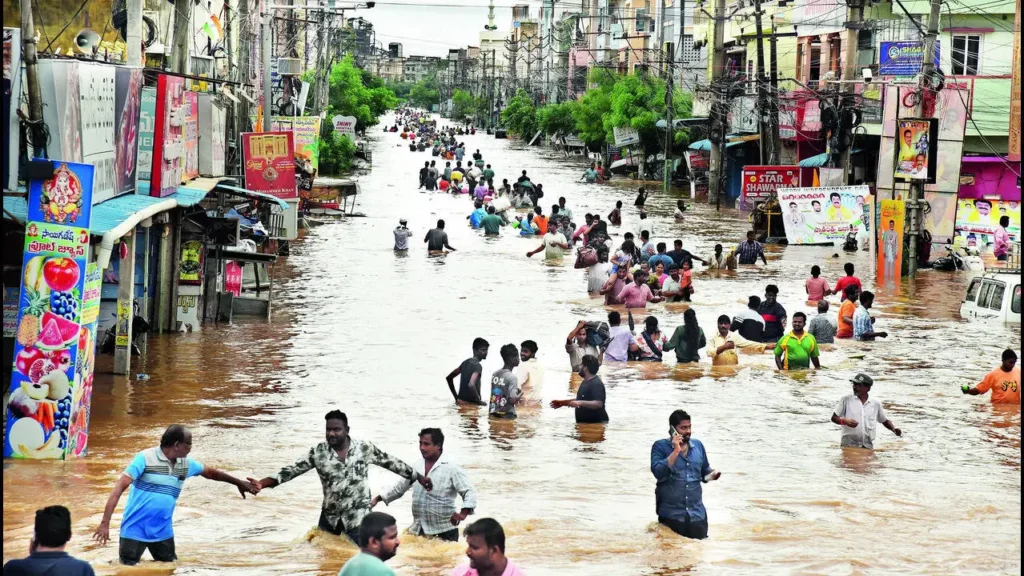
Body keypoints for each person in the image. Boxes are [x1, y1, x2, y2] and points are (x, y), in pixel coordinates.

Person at [249, 412, 430, 544]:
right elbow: (290, 471)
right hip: (330, 518)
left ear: (347, 430)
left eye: (336, 429)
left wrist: (418, 477)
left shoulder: (363, 448)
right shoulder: (318, 452)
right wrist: (262, 484)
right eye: (328, 430)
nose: (331, 434)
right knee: (324, 558)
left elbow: (391, 462)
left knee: (361, 557)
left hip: (357, 517)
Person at [91, 425, 258, 565]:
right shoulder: (144, 458)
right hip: (134, 530)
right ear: (177, 445)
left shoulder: (186, 464)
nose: (191, 448)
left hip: (163, 532)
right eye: (189, 444)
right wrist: (105, 524)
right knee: (127, 571)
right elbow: (118, 489)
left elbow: (210, 473)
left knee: (169, 569)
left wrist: (239, 483)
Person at [373, 429, 476, 542]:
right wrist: (377, 499)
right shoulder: (416, 466)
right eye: (420, 443)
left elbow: (469, 492)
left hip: (444, 531)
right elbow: (399, 488)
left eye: (426, 444)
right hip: (418, 529)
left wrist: (463, 514)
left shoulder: (451, 467)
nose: (422, 448)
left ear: (438, 445)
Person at [650, 410, 721, 540]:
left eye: (689, 427)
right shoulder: (660, 447)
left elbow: (704, 470)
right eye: (683, 428)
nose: (688, 431)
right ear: (673, 429)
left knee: (697, 554)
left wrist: (711, 475)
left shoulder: (698, 446)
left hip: (697, 515)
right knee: (670, 556)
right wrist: (676, 451)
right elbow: (658, 472)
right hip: (671, 515)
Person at [4, 505, 95, 575]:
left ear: (36, 536)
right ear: (69, 536)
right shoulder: (82, 569)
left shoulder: (12, 568)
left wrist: (33, 554)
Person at [831, 374, 902, 449]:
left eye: (858, 385)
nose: (854, 387)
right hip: (848, 445)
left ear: (868, 388)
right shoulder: (846, 399)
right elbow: (834, 418)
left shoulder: (875, 403)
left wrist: (894, 430)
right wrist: (845, 421)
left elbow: (884, 420)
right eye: (854, 384)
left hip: (868, 445)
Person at [451, 518, 525, 576]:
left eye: (474, 547)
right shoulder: (461, 572)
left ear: (494, 551)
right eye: (469, 545)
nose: (467, 552)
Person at [336, 512, 401, 576]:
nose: (398, 542)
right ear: (374, 542)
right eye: (392, 537)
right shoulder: (382, 571)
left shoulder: (350, 565)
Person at [550, 354, 609, 423]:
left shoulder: (596, 383)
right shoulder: (585, 382)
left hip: (596, 425)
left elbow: (598, 404)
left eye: (581, 365)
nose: (579, 367)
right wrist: (562, 403)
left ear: (585, 368)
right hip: (585, 425)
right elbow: (581, 400)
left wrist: (580, 403)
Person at [446, 338, 489, 404]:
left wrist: (456, 397)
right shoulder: (478, 366)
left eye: (486, 350)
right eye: (483, 350)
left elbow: (449, 378)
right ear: (475, 350)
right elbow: (471, 384)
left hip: (460, 403)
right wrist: (478, 401)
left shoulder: (465, 363)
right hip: (471, 405)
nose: (486, 352)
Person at [489, 344, 522, 419]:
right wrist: (520, 394)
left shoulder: (495, 374)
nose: (518, 359)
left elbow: (499, 391)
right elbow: (513, 399)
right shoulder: (512, 377)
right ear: (511, 359)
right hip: (507, 415)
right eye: (517, 356)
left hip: (493, 413)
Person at [516, 340, 545, 406]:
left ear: (533, 353)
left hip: (524, 406)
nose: (522, 353)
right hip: (537, 405)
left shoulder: (524, 366)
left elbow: (515, 387)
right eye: (521, 351)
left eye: (525, 351)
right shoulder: (540, 367)